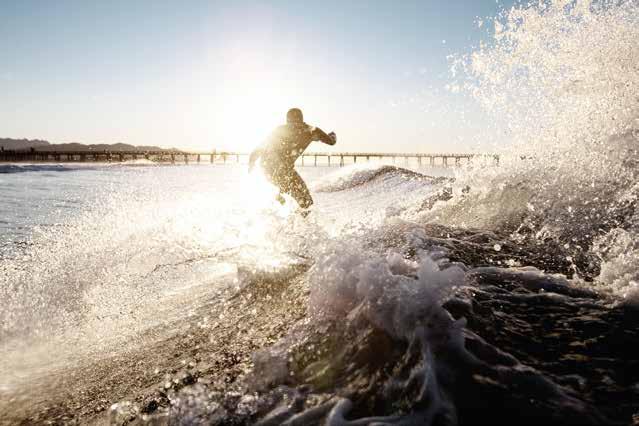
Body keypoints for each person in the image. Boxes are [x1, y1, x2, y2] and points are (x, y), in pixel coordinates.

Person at [249, 108, 336, 213]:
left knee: (305, 202)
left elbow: (259, 148)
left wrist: (252, 163)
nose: (294, 128)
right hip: (273, 169)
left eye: (296, 124)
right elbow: (260, 148)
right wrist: (251, 163)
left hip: (278, 170)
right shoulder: (308, 131)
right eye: (292, 125)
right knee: (299, 201)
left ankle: (290, 215)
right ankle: (281, 210)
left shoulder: (309, 131)